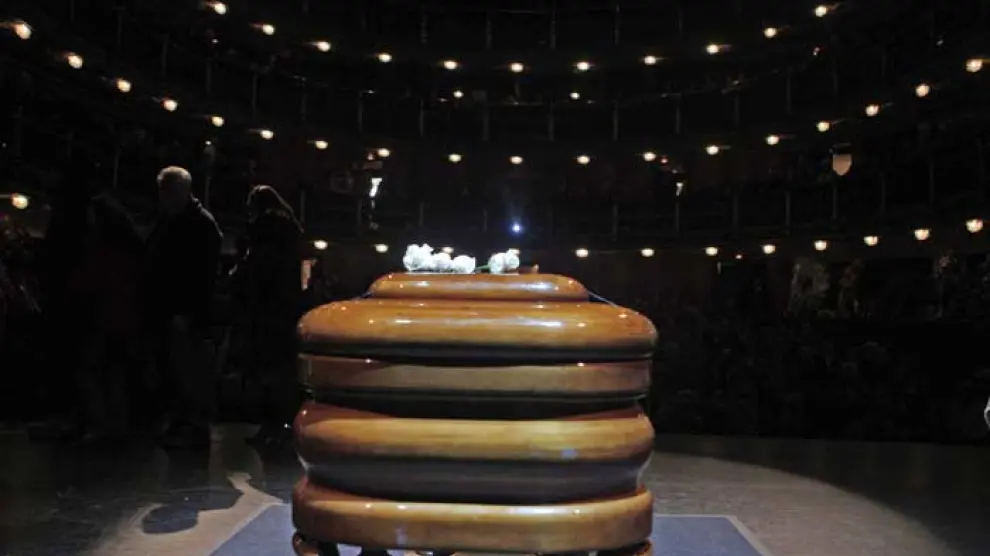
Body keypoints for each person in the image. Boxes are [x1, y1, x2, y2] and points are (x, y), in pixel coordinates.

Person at [143, 166, 223, 448]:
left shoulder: (196, 224)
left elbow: (201, 275)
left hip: (186, 312)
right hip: (175, 309)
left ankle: (192, 424)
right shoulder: (185, 221)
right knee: (180, 370)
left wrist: (188, 311)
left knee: (188, 371)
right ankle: (185, 422)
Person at [230, 185, 303, 446]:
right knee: (281, 371)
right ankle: (283, 424)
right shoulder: (291, 234)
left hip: (263, 312)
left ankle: (269, 425)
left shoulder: (262, 237)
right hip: (285, 312)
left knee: (263, 370)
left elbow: (253, 276)